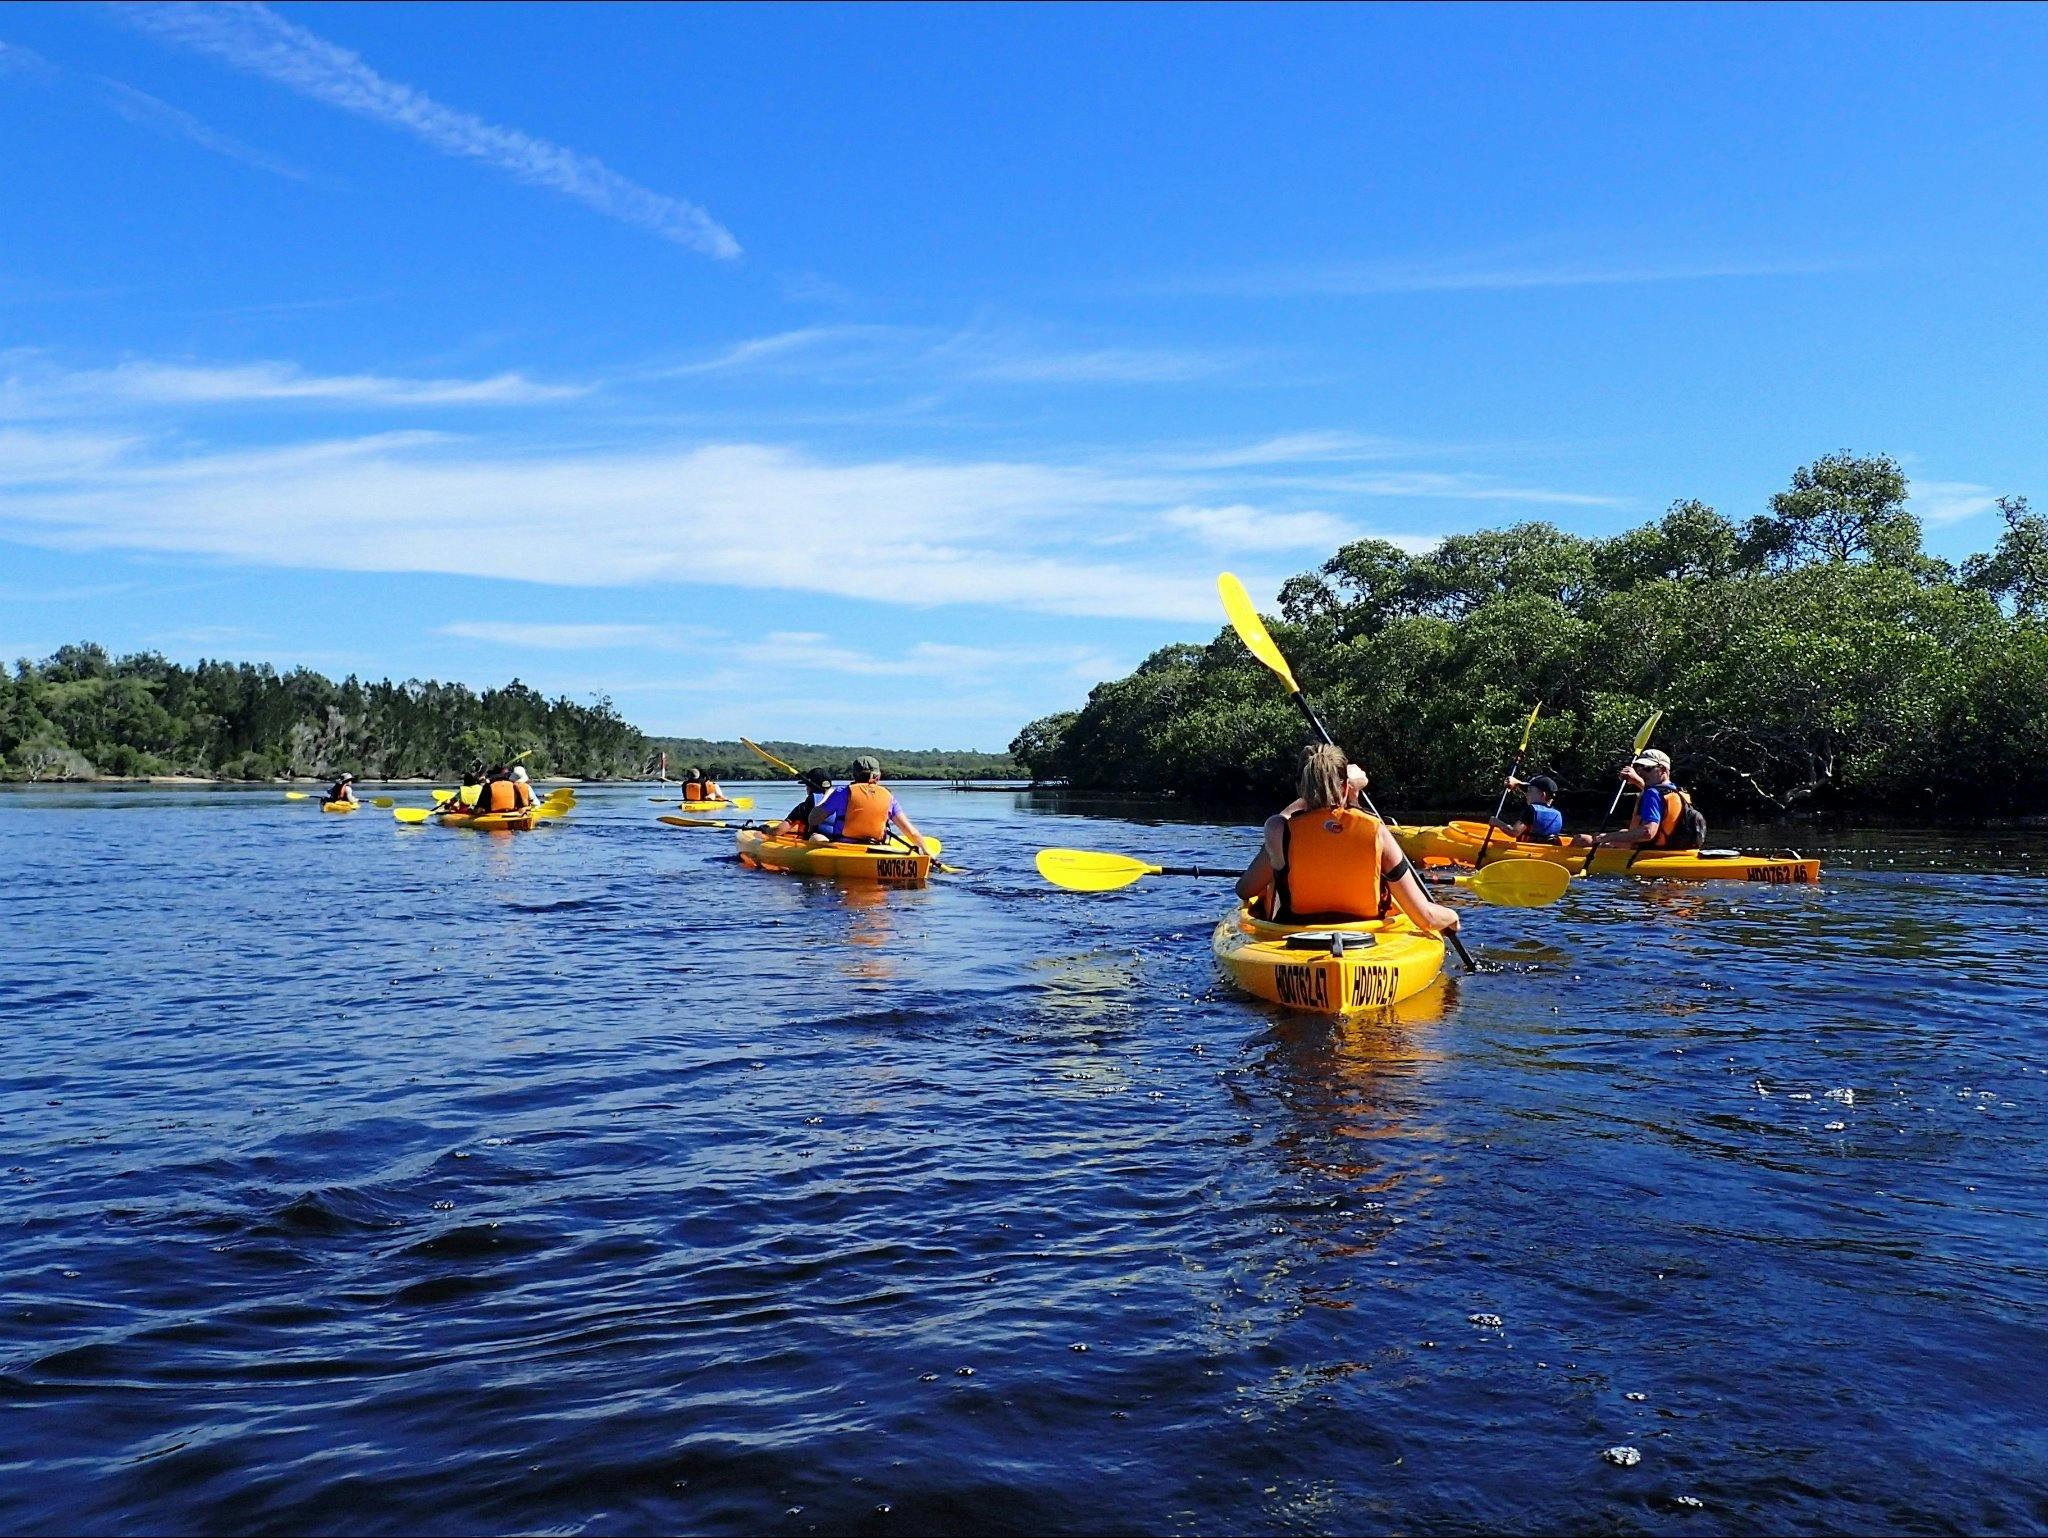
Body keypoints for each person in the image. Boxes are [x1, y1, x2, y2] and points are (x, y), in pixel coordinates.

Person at [1236, 743, 1461, 936]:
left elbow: (1245, 890)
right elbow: (1425, 917)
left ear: (1300, 790)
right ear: (1345, 787)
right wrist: (1452, 917)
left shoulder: (1278, 829)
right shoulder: (1376, 830)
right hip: (1365, 938)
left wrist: (1315, 795)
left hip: (1297, 936)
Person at [1574, 748, 1705, 851]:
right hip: (1672, 847)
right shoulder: (1679, 791)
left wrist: (1606, 837)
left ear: (1663, 770)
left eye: (1647, 769)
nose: (1641, 773)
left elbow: (1647, 832)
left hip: (1648, 850)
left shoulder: (1652, 793)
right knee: (1622, 832)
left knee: (1581, 840)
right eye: (1639, 768)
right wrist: (1638, 782)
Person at [809, 755, 927, 850]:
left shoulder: (842, 792)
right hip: (876, 847)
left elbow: (813, 819)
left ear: (854, 775)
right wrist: (927, 854)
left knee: (814, 837)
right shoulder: (888, 796)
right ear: (877, 776)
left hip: (846, 848)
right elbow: (910, 831)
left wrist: (827, 795)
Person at [1493, 773, 1565, 844]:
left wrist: (1497, 822)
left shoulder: (1531, 810)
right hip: (1547, 851)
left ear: (1543, 795)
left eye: (1529, 791)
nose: (1526, 794)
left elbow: (1514, 832)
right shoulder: (1557, 814)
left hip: (1527, 851)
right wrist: (1517, 784)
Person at [777, 768, 833, 837]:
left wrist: (766, 829)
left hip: (814, 843)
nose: (806, 788)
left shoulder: (804, 807)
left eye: (807, 785)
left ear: (810, 787)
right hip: (840, 842)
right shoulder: (840, 801)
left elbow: (779, 831)